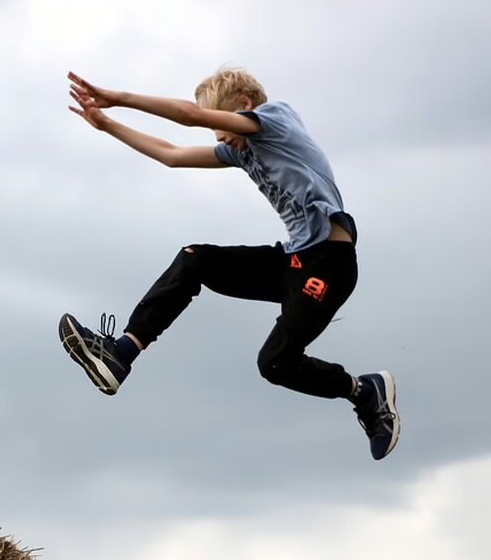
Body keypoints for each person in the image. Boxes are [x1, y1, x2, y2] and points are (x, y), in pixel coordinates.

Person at [58, 67, 400, 460]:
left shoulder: (276, 120)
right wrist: (107, 125)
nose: (220, 139)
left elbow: (189, 115)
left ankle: (363, 391)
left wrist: (119, 97)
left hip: (329, 264)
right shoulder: (242, 150)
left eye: (220, 125)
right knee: (196, 260)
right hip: (292, 261)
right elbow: (172, 155)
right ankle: (121, 354)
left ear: (243, 105)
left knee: (275, 364)